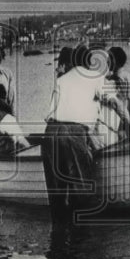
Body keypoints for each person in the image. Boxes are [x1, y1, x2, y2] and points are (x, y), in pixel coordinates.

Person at [41, 45, 109, 223]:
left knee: (56, 199)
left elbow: (49, 116)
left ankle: (59, 242)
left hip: (51, 133)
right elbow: (114, 103)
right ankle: (82, 244)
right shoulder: (96, 77)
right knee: (82, 193)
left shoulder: (61, 80)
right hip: (74, 133)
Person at [98, 46, 130, 141]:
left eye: (108, 59)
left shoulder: (117, 78)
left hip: (124, 114)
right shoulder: (129, 75)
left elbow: (120, 99)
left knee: (123, 138)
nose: (106, 62)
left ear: (115, 62)